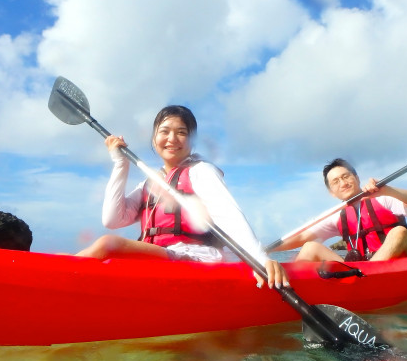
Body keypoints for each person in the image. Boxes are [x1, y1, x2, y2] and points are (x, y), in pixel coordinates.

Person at [75, 105, 289, 289]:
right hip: (164, 259)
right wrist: (120, 165)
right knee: (108, 253)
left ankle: (53, 278)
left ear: (191, 141)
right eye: (164, 131)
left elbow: (229, 216)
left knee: (108, 245)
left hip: (196, 259)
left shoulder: (201, 171)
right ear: (154, 138)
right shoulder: (150, 183)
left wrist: (259, 259)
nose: (172, 139)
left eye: (181, 132)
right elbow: (112, 220)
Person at [275, 158, 407, 262]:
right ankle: (290, 289)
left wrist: (388, 190)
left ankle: (370, 276)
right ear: (331, 192)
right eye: (336, 181)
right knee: (309, 247)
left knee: (399, 232)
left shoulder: (381, 196)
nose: (343, 183)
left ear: (357, 178)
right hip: (360, 269)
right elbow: (301, 237)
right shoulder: (336, 215)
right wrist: (262, 251)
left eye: (346, 176)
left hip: (399, 259)